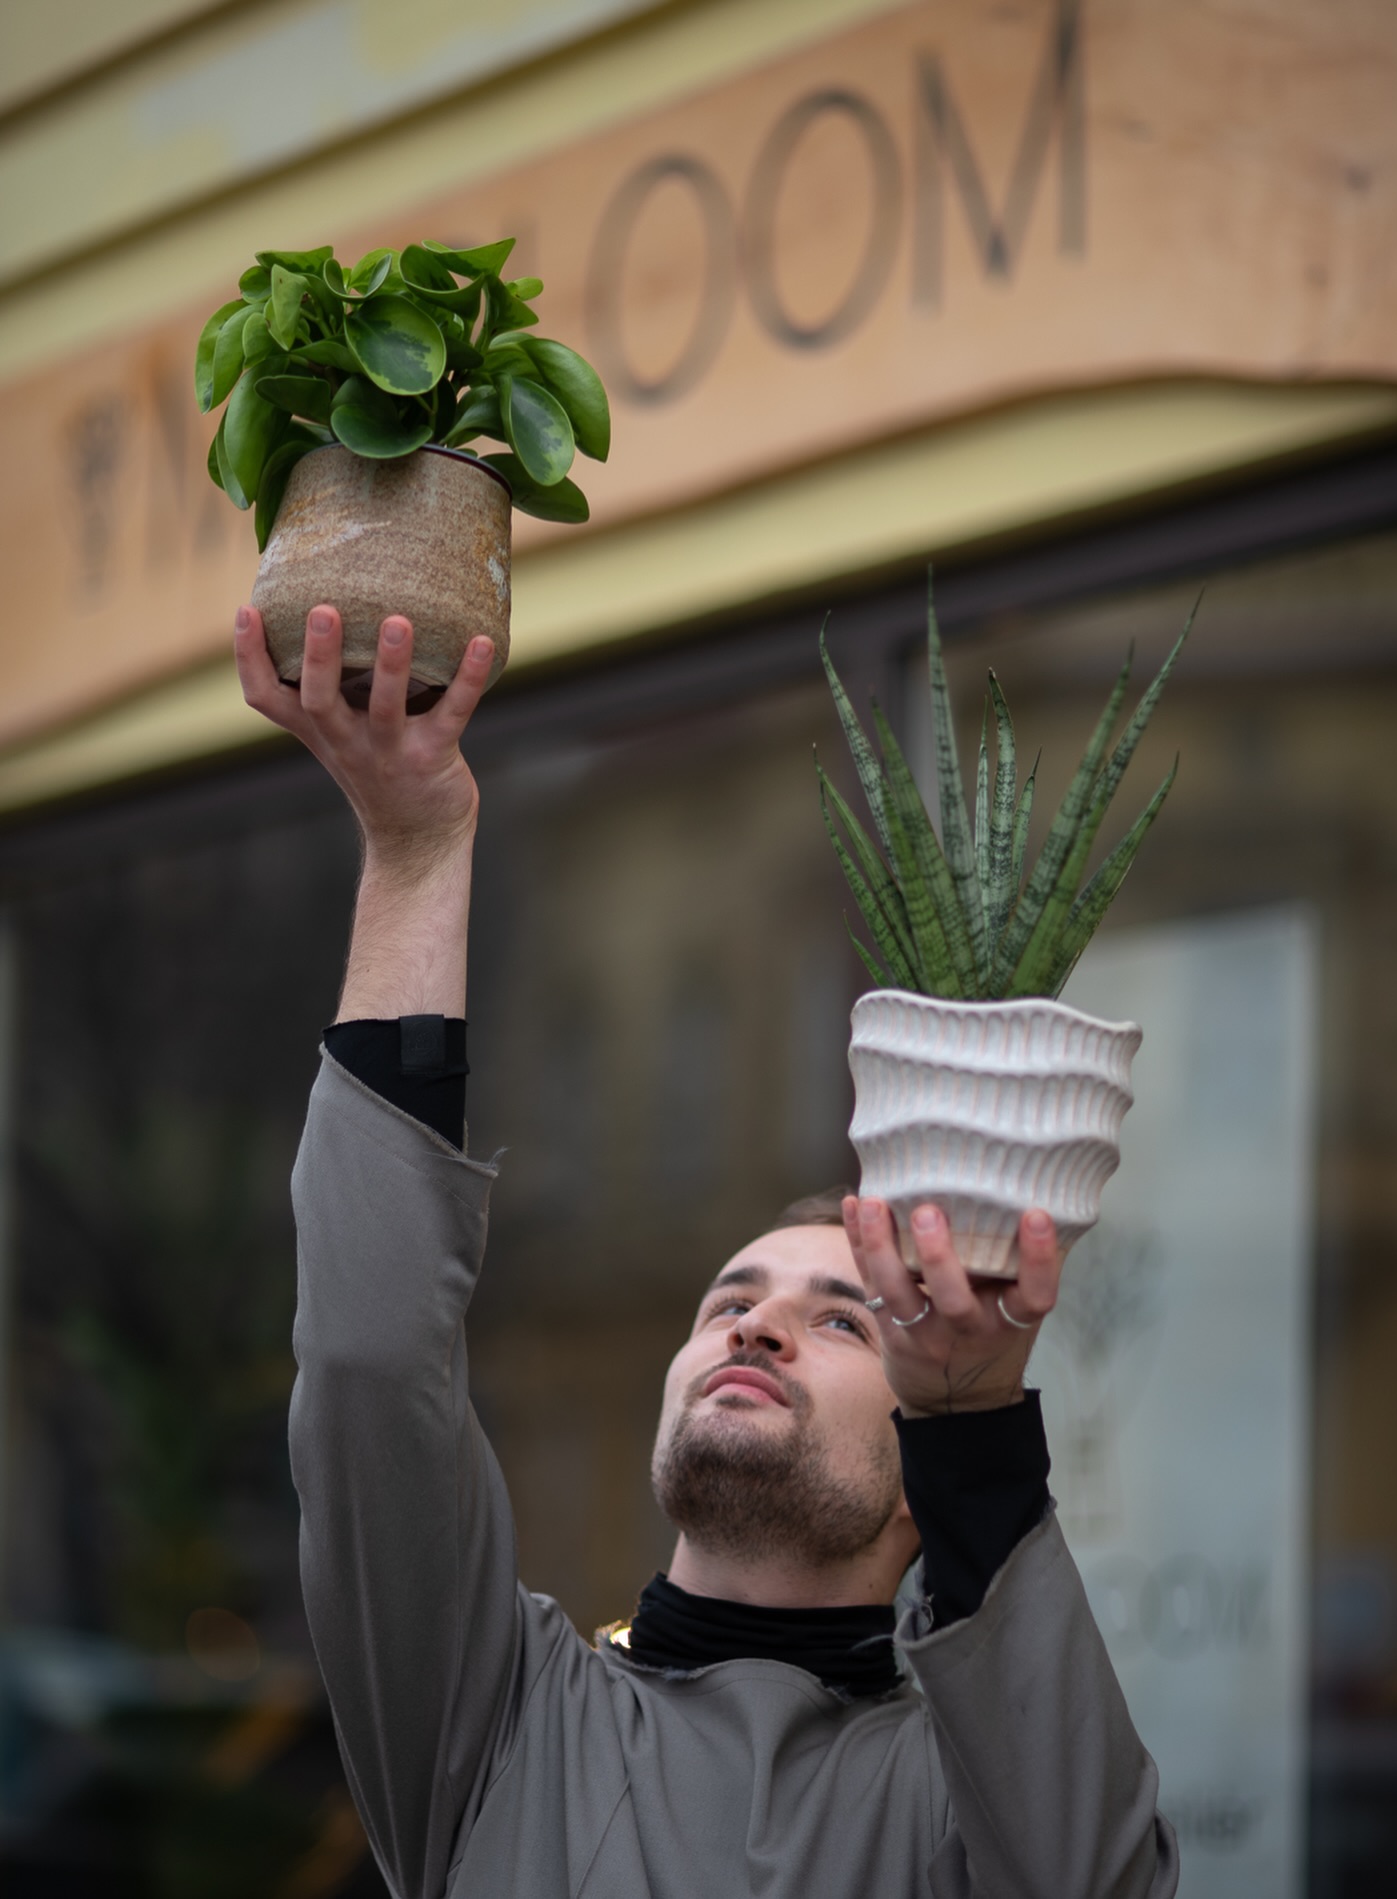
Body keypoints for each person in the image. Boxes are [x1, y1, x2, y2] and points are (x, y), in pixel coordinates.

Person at [236, 602, 1179, 1899]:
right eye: (730, 1299)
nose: (755, 1323)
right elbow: (368, 1358)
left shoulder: (960, 1802)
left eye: (843, 1319)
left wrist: (976, 1429)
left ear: (930, 1487)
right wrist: (413, 850)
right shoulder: (493, 1720)